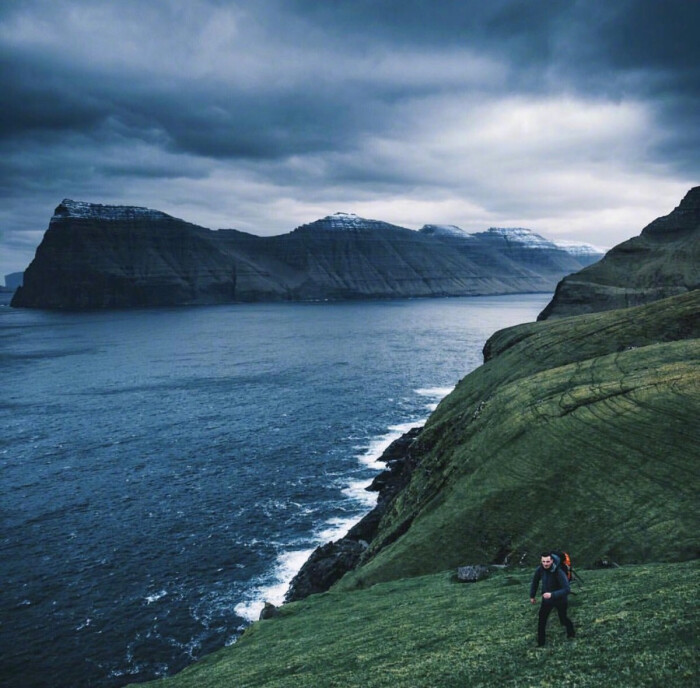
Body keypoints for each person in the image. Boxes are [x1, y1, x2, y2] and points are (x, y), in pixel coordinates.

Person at [529, 551, 575, 646]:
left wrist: (552, 594)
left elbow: (567, 589)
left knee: (563, 620)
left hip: (560, 600)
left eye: (548, 561)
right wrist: (532, 596)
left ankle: (571, 632)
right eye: (543, 561)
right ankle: (541, 643)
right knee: (542, 621)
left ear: (552, 561)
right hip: (547, 601)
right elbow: (535, 582)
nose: (545, 564)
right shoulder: (540, 569)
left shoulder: (559, 572)